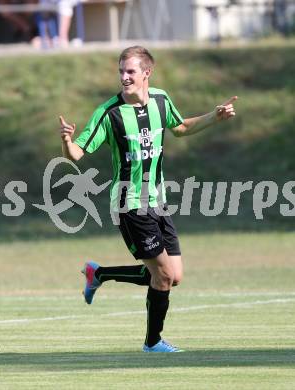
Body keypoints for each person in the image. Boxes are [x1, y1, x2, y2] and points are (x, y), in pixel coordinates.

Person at [59, 46, 237, 353]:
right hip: (130, 204)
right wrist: (65, 141)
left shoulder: (161, 99)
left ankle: (98, 273)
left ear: (146, 73)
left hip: (158, 200)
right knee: (163, 274)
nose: (124, 77)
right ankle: (152, 343)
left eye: (130, 71)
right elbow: (76, 154)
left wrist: (215, 116)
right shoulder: (108, 113)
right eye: (121, 71)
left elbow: (180, 129)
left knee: (173, 276)